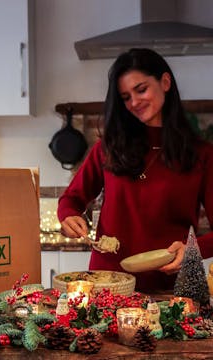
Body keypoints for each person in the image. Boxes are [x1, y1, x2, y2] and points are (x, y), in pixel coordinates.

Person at [57, 48, 213, 292]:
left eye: (141, 90)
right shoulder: (108, 147)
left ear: (165, 82)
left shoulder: (202, 154)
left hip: (170, 290)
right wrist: (69, 215)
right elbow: (71, 199)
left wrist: (194, 250)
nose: (134, 102)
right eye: (125, 97)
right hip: (107, 285)